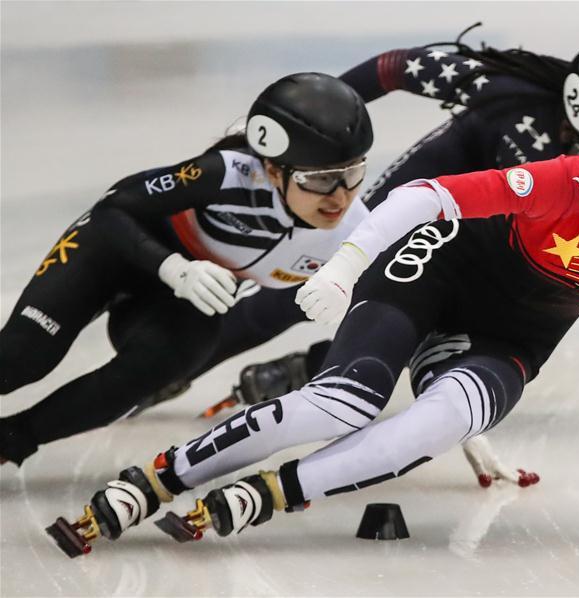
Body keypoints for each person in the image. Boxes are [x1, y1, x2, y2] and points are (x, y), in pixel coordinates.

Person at [48, 76, 579, 558]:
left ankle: (267, 494)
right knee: (341, 400)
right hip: (433, 275)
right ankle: (158, 478)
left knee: (434, 425)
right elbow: (426, 197)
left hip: (514, 335)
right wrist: (347, 267)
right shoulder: (563, 183)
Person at [206, 35, 579, 427]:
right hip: (442, 187)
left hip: (499, 239)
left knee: (448, 304)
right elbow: (395, 67)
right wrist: (301, 116)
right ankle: (200, 353)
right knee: (336, 268)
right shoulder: (508, 95)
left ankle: (311, 363)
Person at [0, 73, 374, 466]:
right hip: (113, 253)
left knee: (177, 355)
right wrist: (174, 268)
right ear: (274, 170)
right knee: (23, 359)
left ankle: (9, 441)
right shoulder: (225, 174)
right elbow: (112, 209)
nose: (340, 197)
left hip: (174, 297)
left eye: (352, 174)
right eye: (321, 180)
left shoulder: (354, 233)